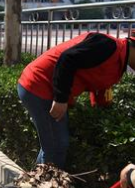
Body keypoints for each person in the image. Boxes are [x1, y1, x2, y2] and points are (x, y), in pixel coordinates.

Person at [18, 33, 135, 169]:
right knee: (56, 146)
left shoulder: (118, 61)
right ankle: (44, 187)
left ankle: (35, 184)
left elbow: (100, 85)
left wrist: (102, 108)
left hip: (46, 89)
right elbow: (67, 58)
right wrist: (61, 99)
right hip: (40, 86)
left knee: (52, 144)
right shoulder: (107, 45)